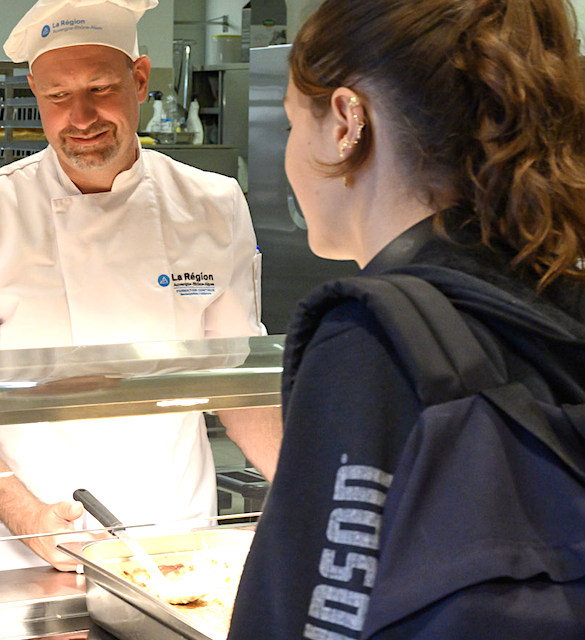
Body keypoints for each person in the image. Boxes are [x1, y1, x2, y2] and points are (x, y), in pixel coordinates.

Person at [228, 0, 585, 637]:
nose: (287, 156)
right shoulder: (555, 291)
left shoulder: (375, 341)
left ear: (345, 122)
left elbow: (306, 620)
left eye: (289, 125)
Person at [0, 0, 281, 574]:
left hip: (174, 530)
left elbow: (235, 380)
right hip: (29, 541)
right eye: (58, 96)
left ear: (139, 78)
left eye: (101, 88)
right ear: (34, 90)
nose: (80, 117)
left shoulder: (214, 204)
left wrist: (311, 489)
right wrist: (28, 517)